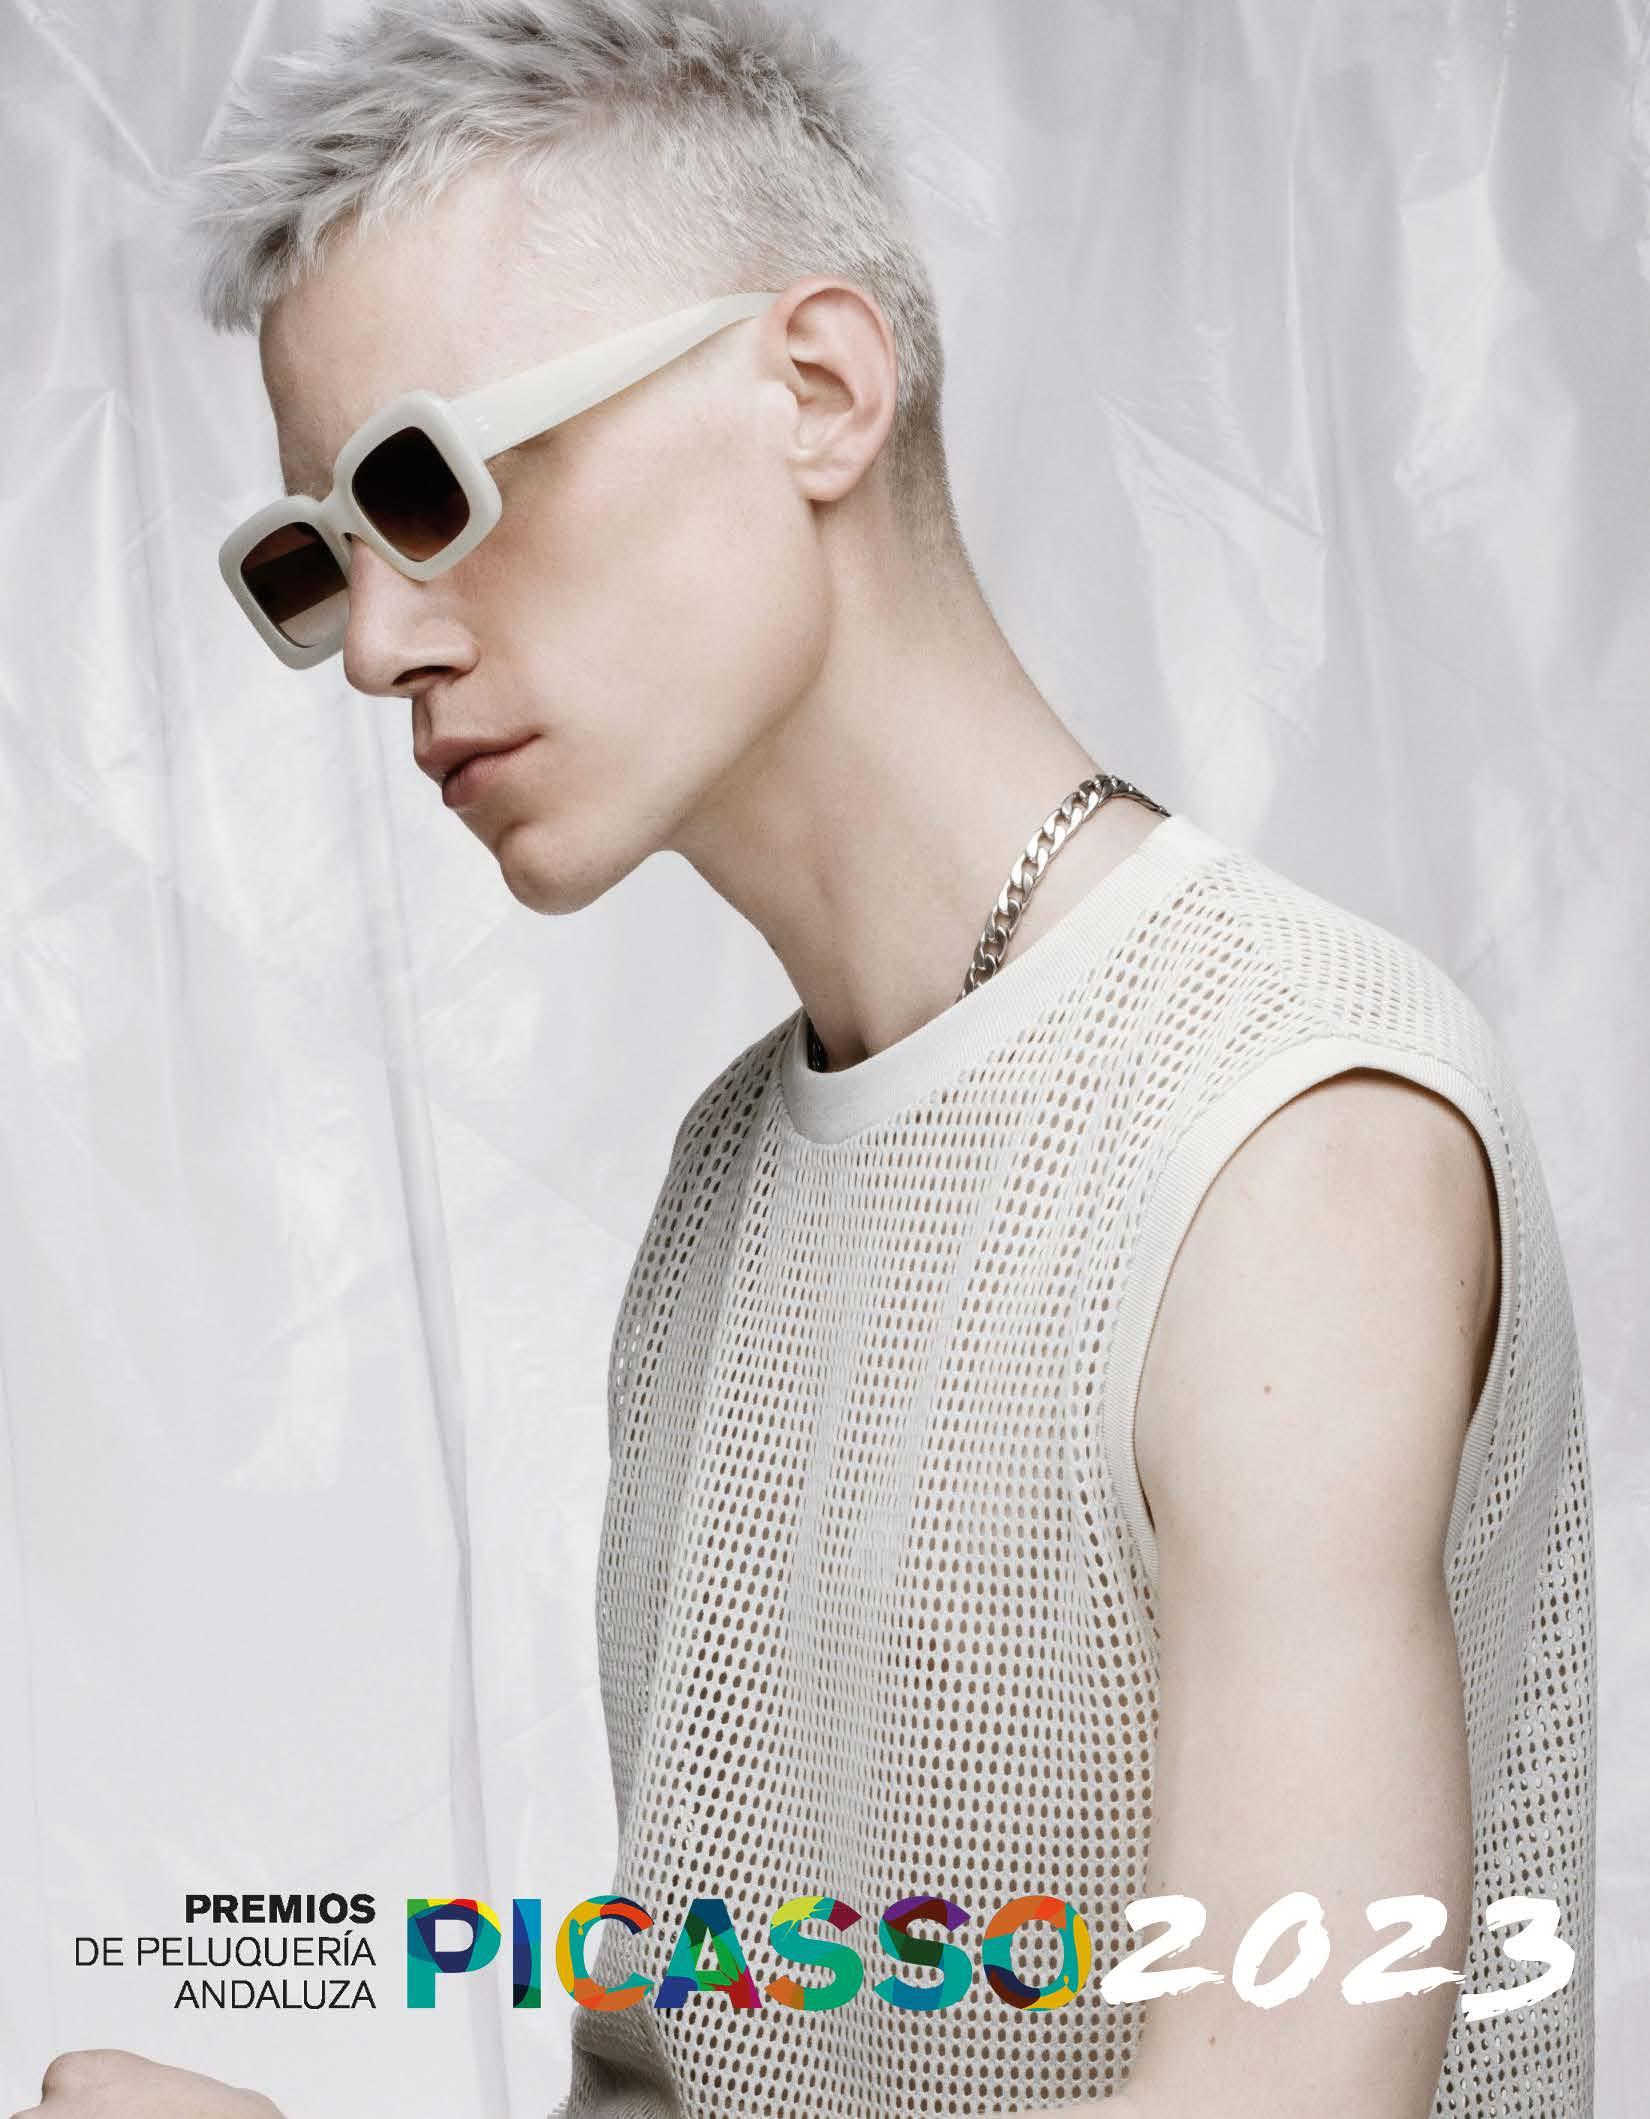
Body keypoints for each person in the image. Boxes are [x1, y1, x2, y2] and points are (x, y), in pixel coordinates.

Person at [19, 1, 1595, 2113]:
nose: (380, 644)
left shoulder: (1287, 1139)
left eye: (426, 484)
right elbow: (689, 2072)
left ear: (819, 390)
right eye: (318, 559)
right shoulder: (728, 1187)